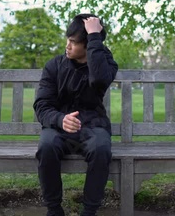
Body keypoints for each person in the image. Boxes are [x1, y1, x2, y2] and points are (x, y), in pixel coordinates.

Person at [34, 14, 118, 216]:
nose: (67, 46)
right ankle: (54, 210)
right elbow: (42, 105)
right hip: (58, 126)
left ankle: (89, 211)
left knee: (101, 148)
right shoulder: (54, 65)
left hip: (93, 125)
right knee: (46, 146)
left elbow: (98, 80)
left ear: (88, 44)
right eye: (68, 40)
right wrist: (59, 119)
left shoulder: (106, 65)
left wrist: (95, 36)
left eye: (73, 42)